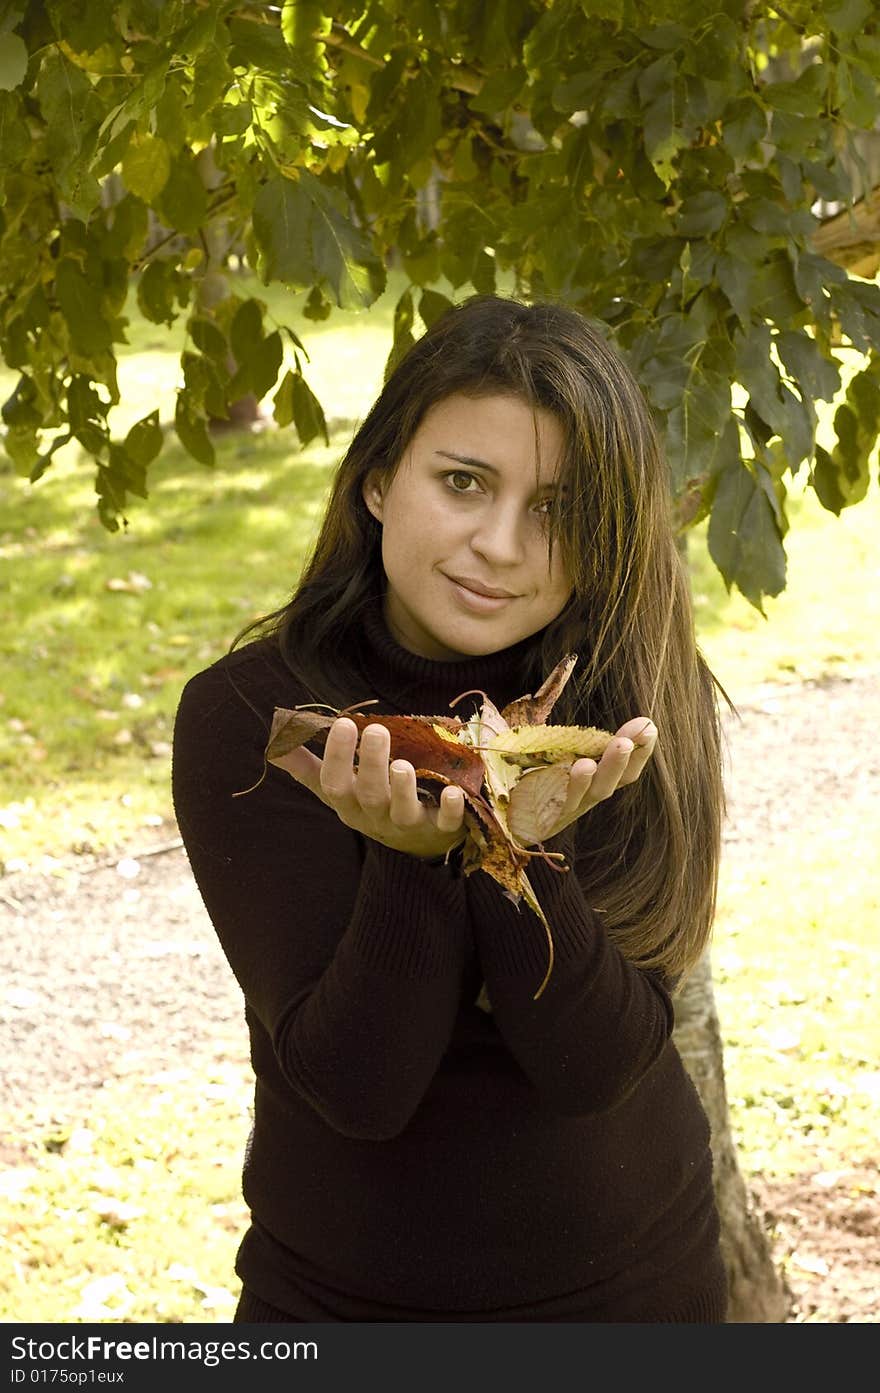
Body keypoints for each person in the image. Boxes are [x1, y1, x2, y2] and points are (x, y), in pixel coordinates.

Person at [171, 292, 731, 1323]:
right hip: (344, 1304)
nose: (501, 545)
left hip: (635, 1288)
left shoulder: (621, 703)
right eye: (463, 482)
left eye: (557, 507)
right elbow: (358, 1090)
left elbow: (594, 1066)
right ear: (379, 480)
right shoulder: (259, 719)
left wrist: (512, 850)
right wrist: (410, 860)